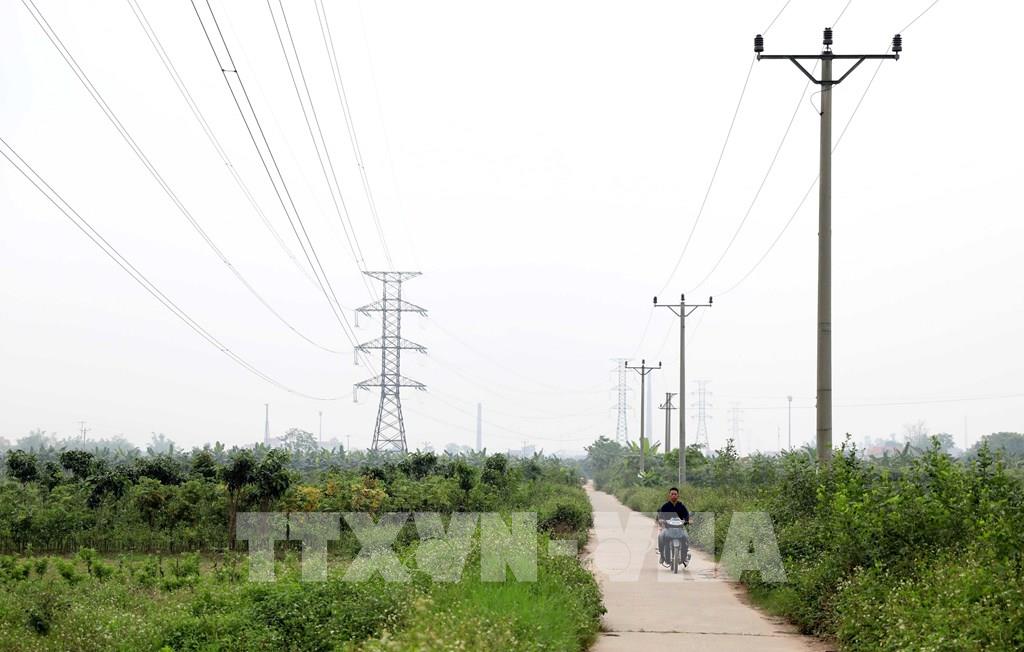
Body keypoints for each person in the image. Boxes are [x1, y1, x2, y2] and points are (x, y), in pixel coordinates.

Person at [657, 487, 690, 566]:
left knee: (686, 537)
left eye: (675, 494)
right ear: (669, 495)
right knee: (660, 537)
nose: (674, 495)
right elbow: (660, 516)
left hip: (680, 528)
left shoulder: (681, 506)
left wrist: (688, 520)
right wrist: (661, 520)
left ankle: (685, 556)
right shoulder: (665, 506)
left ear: (678, 495)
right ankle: (662, 556)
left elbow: (687, 516)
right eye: (672, 494)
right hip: (667, 528)